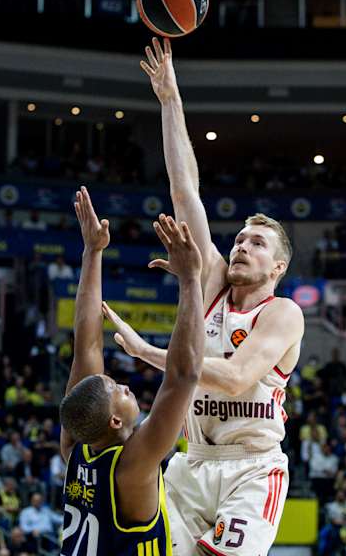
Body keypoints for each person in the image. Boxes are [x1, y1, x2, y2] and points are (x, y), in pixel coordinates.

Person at [100, 38, 305, 556]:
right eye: (238, 239)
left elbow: (236, 378)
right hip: (192, 464)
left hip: (251, 468)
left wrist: (146, 352)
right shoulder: (212, 282)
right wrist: (170, 99)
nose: (240, 246)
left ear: (278, 267)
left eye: (256, 243)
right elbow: (185, 190)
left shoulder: (283, 313)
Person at [57, 187, 206, 556]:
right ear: (113, 422)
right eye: (118, 391)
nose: (124, 385)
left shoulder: (76, 450)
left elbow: (87, 345)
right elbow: (183, 376)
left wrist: (93, 252)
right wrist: (190, 281)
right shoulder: (132, 467)